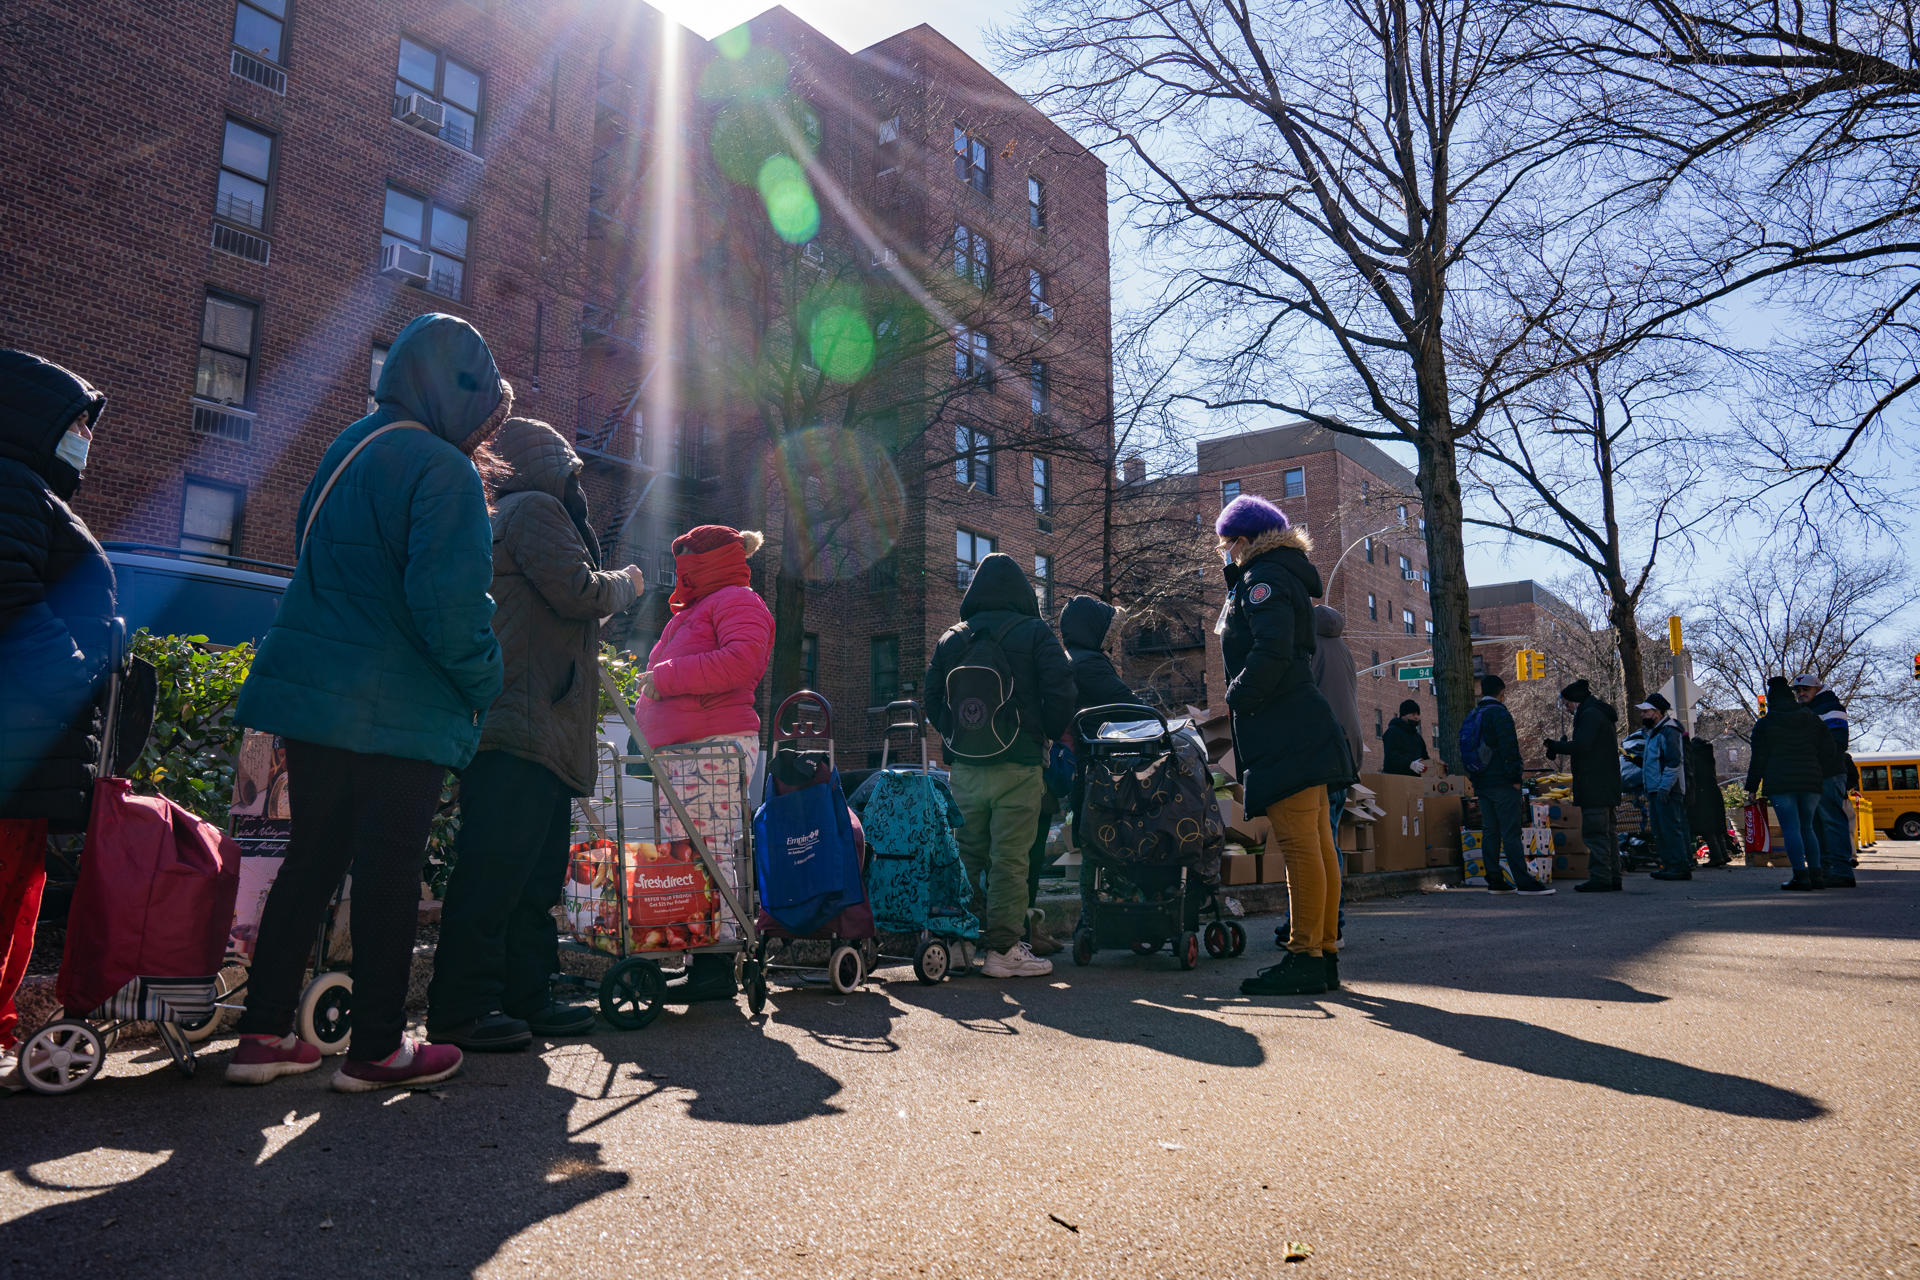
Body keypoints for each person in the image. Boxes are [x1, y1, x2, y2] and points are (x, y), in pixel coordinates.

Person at [227, 313, 511, 1092]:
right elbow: (448, 605)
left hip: (316, 699)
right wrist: (488, 682)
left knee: (310, 863)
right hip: (399, 709)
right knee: (390, 872)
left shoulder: (344, 449)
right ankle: (378, 1048)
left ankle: (262, 1035)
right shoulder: (443, 471)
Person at [425, 419, 643, 1051]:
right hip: (522, 728)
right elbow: (581, 592)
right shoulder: (535, 509)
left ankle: (526, 996)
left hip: (530, 725)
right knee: (498, 873)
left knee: (530, 877)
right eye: (575, 475)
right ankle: (463, 1009)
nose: (581, 489)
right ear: (554, 469)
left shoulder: (510, 512)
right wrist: (629, 582)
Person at [0, 351, 113, 1088]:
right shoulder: (11, 488)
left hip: (23, 741)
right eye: (75, 423)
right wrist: (76, 678)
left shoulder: (24, 490)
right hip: (15, 738)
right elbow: (10, 598)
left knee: (19, 891)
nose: (83, 437)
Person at [1208, 496, 1355, 998]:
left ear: (1245, 542)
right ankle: (1324, 949)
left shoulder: (1261, 578)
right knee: (1316, 844)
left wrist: (1238, 696)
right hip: (1304, 721)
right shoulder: (1285, 575)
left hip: (1283, 724)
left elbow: (1270, 647)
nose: (1225, 554)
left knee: (1299, 847)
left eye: (1227, 546)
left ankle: (1305, 955)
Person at [633, 524, 775, 1002]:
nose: (681, 573)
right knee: (691, 855)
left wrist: (666, 678)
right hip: (689, 747)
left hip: (715, 743)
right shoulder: (700, 608)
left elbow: (742, 662)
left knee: (708, 852)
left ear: (707, 562)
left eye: (688, 563)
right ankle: (702, 962)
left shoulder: (737, 600)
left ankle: (713, 968)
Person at [924, 554, 1075, 979]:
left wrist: (957, 734)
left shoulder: (952, 638)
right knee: (1009, 858)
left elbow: (932, 696)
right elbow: (1063, 688)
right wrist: (1043, 732)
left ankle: (956, 943)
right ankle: (1004, 950)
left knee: (964, 854)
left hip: (966, 768)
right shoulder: (1036, 633)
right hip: (1020, 763)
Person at [1044, 594, 1135, 957]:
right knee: (1117, 843)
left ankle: (1091, 921)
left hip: (1085, 773)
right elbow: (1129, 706)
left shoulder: (1070, 662)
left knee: (1091, 847)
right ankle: (1121, 915)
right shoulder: (1092, 664)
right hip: (1106, 772)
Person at [1748, 676, 1843, 891]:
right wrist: (1816, 768)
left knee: (1791, 828)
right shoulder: (1811, 718)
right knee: (1807, 827)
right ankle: (1817, 875)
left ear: (1771, 699)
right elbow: (1829, 749)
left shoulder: (1766, 724)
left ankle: (1800, 876)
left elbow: (1758, 758)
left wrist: (1752, 787)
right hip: (1810, 781)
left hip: (1781, 781)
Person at [1466, 674, 1553, 895]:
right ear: (1501, 692)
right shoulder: (1500, 714)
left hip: (1482, 783)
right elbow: (1509, 747)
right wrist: (1515, 778)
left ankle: (1495, 880)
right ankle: (1523, 881)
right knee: (1511, 833)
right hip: (1503, 783)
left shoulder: (1474, 714)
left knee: (1490, 831)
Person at [1543, 678, 1622, 892]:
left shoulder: (1589, 715)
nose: (1567, 709)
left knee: (1596, 833)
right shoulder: (1599, 714)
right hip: (1606, 783)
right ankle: (1612, 876)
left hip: (1594, 784)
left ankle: (1600, 877)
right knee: (1608, 833)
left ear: (1576, 701)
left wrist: (1557, 746)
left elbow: (1583, 746)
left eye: (1568, 704)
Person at [1794, 673, 1858, 888]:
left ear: (1817, 689)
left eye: (1806, 690)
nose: (1801, 693)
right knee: (1819, 822)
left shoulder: (1830, 708)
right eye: (1798, 690)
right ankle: (1827, 869)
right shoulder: (1811, 710)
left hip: (1828, 772)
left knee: (1831, 820)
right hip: (1817, 773)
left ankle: (1841, 869)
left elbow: (1839, 742)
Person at [1310, 605, 1364, 859]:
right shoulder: (1344, 651)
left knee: (1320, 834)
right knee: (1331, 828)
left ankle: (1331, 898)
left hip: (1323, 746)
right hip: (1347, 747)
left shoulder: (1309, 648)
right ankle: (1335, 894)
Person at [1639, 693, 1693, 882]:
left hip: (1668, 789)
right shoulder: (1655, 732)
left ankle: (1679, 866)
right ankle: (1670, 865)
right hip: (1657, 788)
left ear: (1658, 712)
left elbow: (1673, 761)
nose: (1643, 715)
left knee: (1670, 828)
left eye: (1647, 711)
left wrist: (1664, 787)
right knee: (1661, 830)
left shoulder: (1669, 731)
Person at [1686, 735, 1734, 869]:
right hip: (1713, 792)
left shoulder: (1694, 756)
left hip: (1701, 794)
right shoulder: (1707, 754)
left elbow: (1692, 773)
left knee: (1707, 827)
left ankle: (1716, 856)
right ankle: (1723, 854)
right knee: (1716, 827)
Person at [1382, 700, 1429, 776]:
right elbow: (1391, 756)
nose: (1416, 717)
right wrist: (1409, 764)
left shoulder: (1418, 737)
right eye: (1413, 714)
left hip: (1416, 781)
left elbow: (1425, 757)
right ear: (1404, 715)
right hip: (1395, 779)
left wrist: (1435, 767)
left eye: (1418, 714)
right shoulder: (1392, 732)